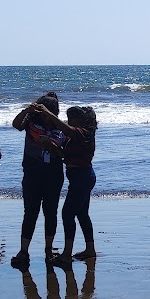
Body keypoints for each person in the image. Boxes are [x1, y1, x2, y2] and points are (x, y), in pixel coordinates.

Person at [9, 93, 67, 270]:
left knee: (51, 213)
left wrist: (50, 145)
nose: (45, 117)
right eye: (43, 113)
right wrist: (27, 109)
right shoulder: (31, 123)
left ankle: (48, 250)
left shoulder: (62, 127)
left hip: (53, 174)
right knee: (30, 212)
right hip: (32, 173)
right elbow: (15, 124)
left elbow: (62, 153)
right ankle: (24, 251)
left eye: (49, 113)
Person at [54, 105, 98, 264]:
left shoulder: (83, 133)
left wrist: (47, 114)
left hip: (82, 177)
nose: (69, 121)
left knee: (67, 214)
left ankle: (67, 254)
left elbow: (67, 129)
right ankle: (90, 249)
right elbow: (66, 156)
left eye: (71, 118)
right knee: (82, 214)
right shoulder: (79, 135)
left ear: (80, 120)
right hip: (81, 177)